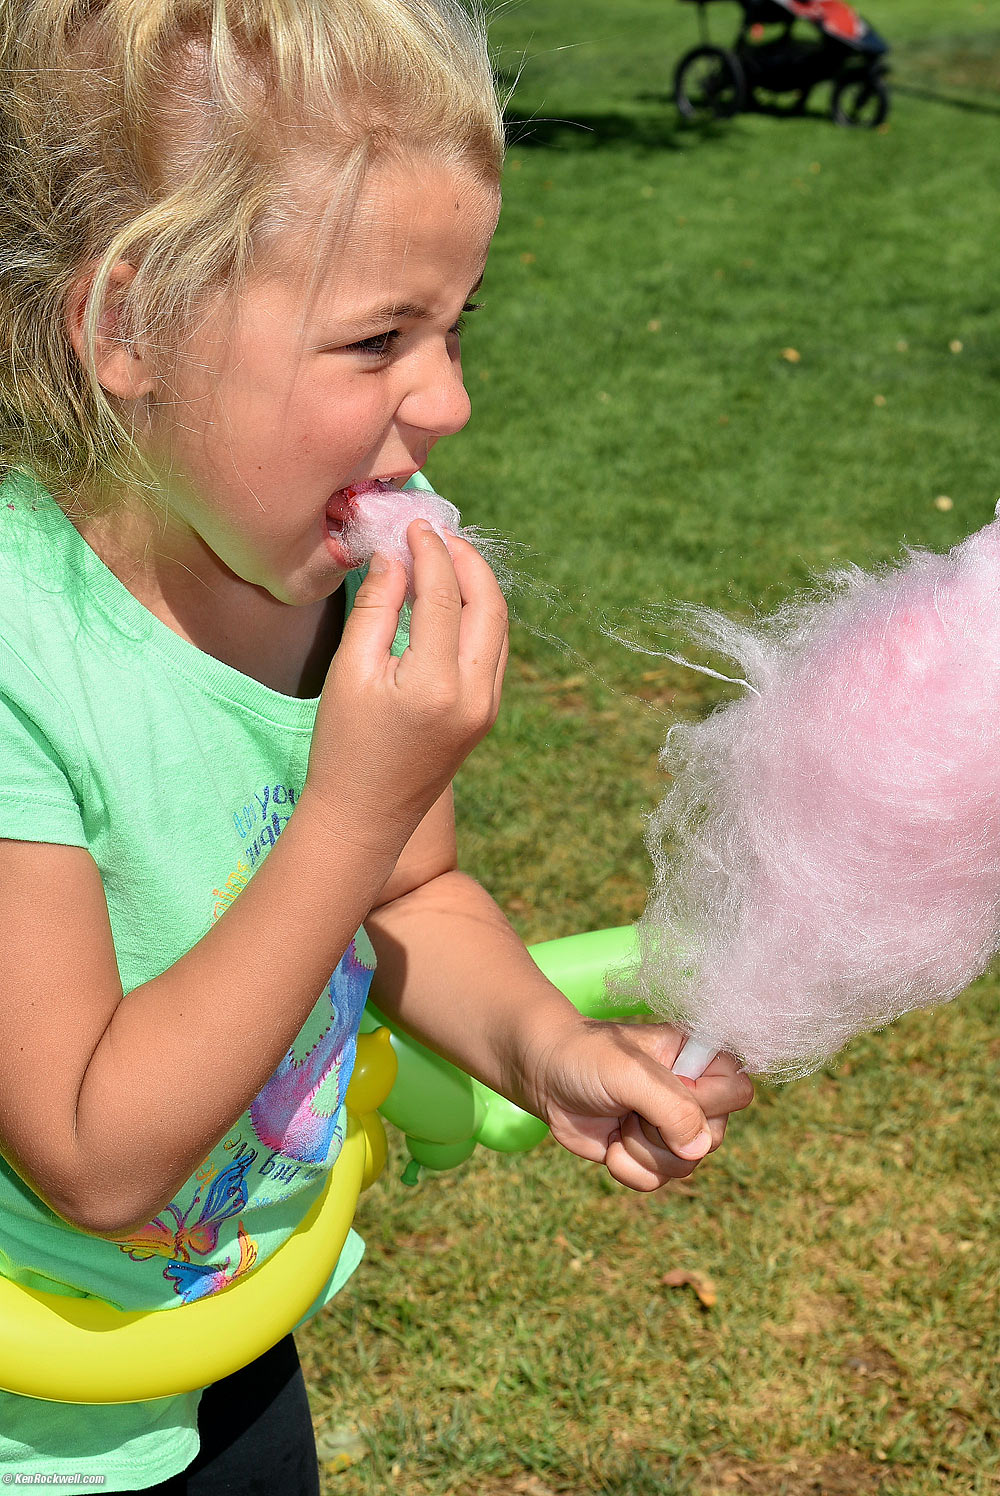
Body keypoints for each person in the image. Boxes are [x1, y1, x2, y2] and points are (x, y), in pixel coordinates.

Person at [0, 1, 754, 1490]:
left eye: (456, 325)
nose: (452, 398)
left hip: (230, 1335)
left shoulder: (332, 606)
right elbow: (91, 1152)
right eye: (377, 338)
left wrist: (548, 1048)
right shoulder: (25, 662)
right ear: (128, 324)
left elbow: (411, 897)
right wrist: (353, 806)